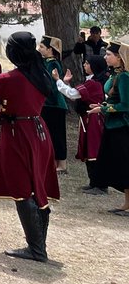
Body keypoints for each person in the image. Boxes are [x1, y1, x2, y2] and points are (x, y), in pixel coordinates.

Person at [0, 32, 61, 264]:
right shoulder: (41, 74)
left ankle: (36, 249)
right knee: (37, 187)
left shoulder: (11, 78)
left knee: (22, 188)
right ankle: (38, 245)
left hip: (17, 133)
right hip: (38, 132)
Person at [54, 54, 110, 194]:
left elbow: (72, 94)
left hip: (94, 119)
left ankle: (100, 185)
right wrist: (66, 83)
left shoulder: (93, 83)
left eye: (87, 63)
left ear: (94, 66)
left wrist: (58, 81)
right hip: (89, 118)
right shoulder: (92, 81)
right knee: (89, 149)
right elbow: (76, 95)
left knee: (94, 150)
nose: (84, 65)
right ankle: (94, 183)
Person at [95, 38, 129, 216]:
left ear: (119, 57)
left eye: (108, 54)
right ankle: (126, 203)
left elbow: (126, 105)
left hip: (122, 127)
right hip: (112, 125)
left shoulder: (124, 77)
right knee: (119, 165)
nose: (105, 57)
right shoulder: (115, 75)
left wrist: (103, 109)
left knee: (125, 165)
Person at [38, 35, 69, 172]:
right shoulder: (45, 61)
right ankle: (53, 162)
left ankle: (62, 164)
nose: (39, 49)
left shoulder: (53, 63)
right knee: (49, 134)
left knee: (57, 135)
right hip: (47, 103)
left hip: (55, 103)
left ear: (50, 49)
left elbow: (51, 84)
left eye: (42, 47)